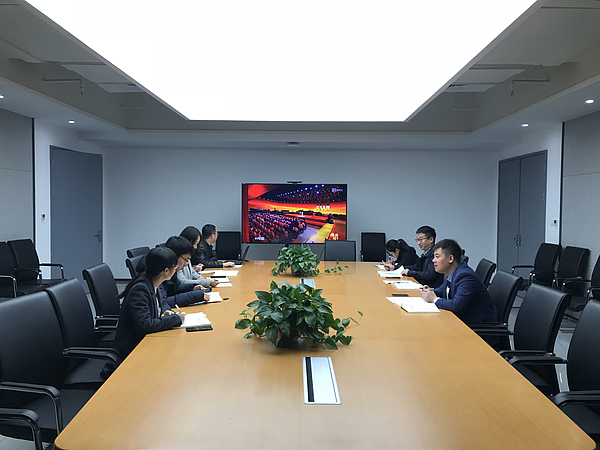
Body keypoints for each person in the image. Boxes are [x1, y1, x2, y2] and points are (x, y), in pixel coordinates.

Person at [101, 247, 186, 378]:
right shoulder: (140, 289)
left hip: (144, 342)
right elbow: (144, 325)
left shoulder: (152, 283)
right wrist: (176, 319)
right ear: (166, 271)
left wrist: (164, 314)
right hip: (132, 351)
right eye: (175, 266)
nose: (176, 269)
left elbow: (160, 305)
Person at [421, 239, 498, 328]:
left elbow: (456, 306)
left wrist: (434, 299)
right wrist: (430, 291)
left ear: (450, 259)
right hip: (461, 320)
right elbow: (443, 289)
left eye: (437, 257)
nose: (433, 260)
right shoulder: (450, 271)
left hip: (478, 328)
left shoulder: (465, 276)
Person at [161, 235, 211, 307]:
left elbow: (177, 288)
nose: (186, 264)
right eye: (186, 259)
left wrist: (193, 287)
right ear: (175, 256)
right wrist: (195, 296)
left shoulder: (173, 271)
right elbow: (164, 302)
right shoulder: (160, 273)